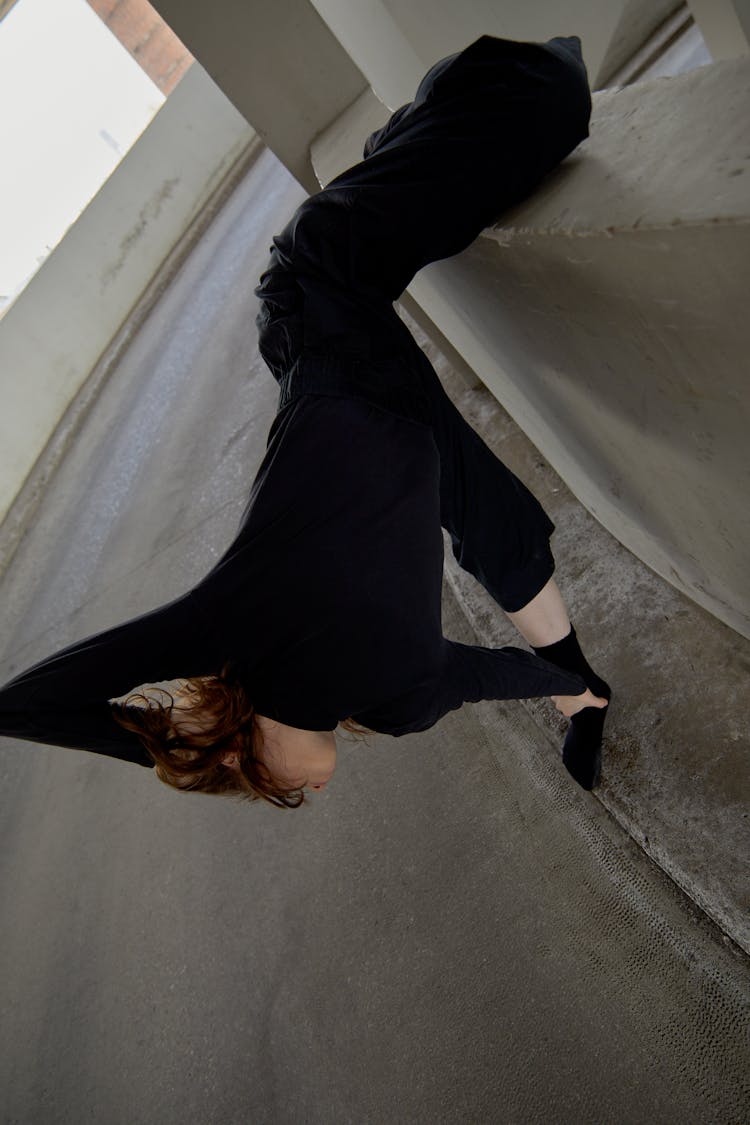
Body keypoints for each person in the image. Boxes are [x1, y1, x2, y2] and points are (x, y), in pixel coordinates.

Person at [0, 33, 609, 807]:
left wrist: (173, 750)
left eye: (277, 792)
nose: (302, 797)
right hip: (397, 408)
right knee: (490, 518)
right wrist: (571, 688)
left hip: (316, 301)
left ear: (241, 757)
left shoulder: (232, 632)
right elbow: (491, 674)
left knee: (550, 91)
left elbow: (23, 705)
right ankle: (590, 690)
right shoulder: (404, 701)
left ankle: (426, 116)